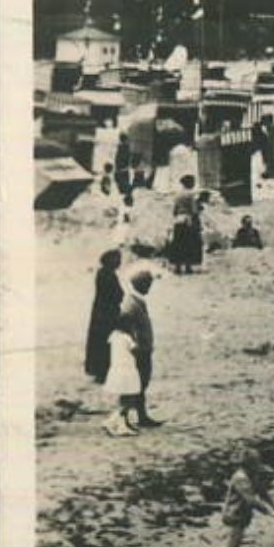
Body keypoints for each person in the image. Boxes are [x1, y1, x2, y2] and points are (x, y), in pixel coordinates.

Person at [116, 268, 161, 427]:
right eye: (147, 283)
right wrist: (133, 343)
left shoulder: (136, 301)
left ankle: (141, 417)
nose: (149, 287)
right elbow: (123, 322)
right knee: (134, 384)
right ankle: (124, 418)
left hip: (143, 348)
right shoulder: (131, 303)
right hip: (138, 351)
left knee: (141, 384)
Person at [84, 249, 125, 384]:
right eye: (117, 260)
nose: (119, 262)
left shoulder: (104, 273)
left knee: (100, 341)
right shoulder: (108, 275)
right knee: (105, 341)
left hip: (101, 312)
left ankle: (99, 370)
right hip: (107, 313)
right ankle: (102, 371)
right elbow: (116, 294)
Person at [169, 176, 204, 274]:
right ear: (190, 183)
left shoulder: (177, 195)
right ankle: (188, 267)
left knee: (179, 243)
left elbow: (174, 211)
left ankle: (178, 267)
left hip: (178, 220)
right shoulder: (191, 195)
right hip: (188, 220)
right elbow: (193, 210)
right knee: (189, 243)